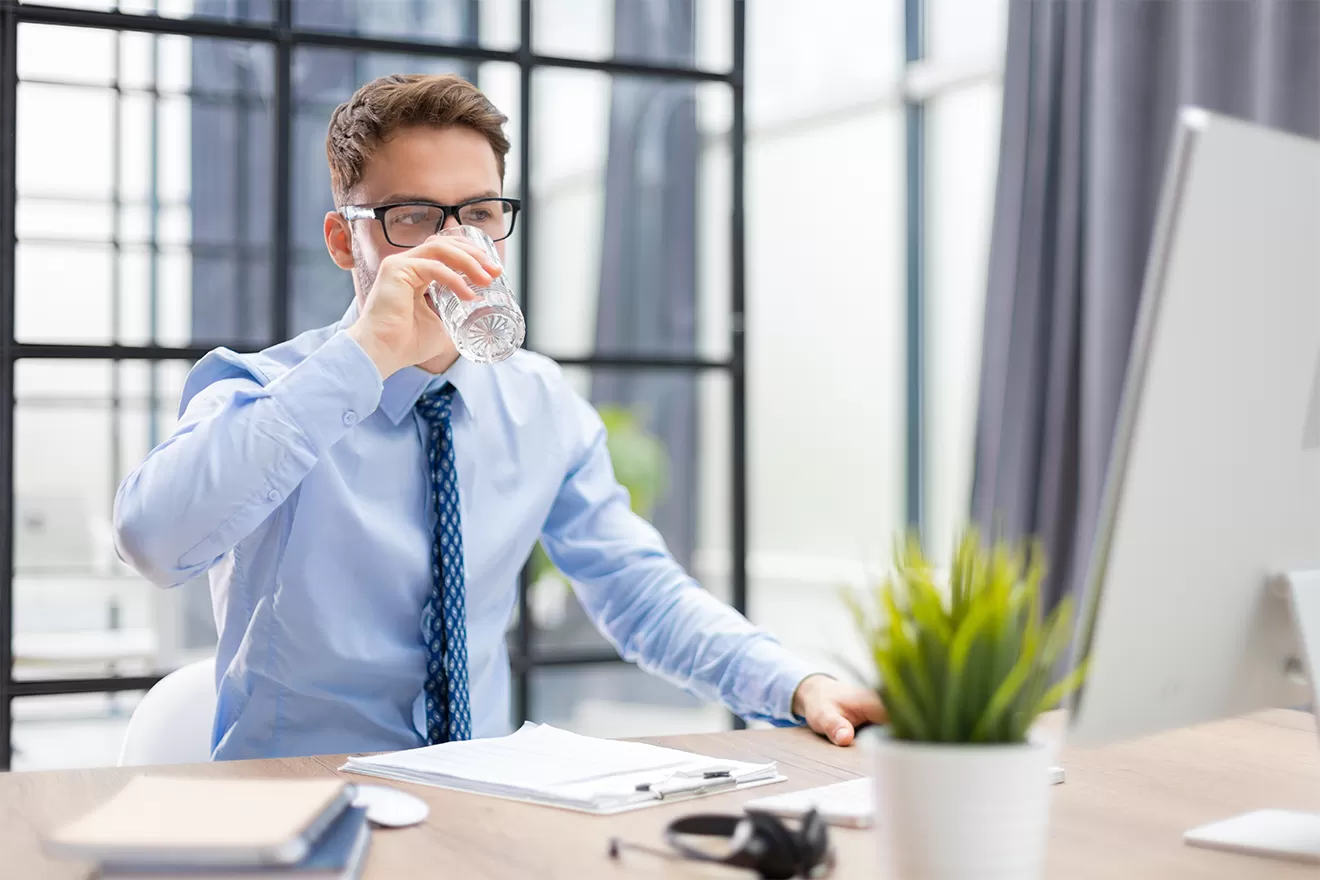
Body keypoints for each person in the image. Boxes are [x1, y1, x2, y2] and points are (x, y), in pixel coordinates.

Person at [113, 73, 885, 761]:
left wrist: (795, 682)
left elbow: (635, 588)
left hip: (484, 792)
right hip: (298, 805)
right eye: (412, 215)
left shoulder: (539, 402)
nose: (455, 242)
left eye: (479, 212)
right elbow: (153, 541)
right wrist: (364, 355)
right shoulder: (263, 391)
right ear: (344, 242)